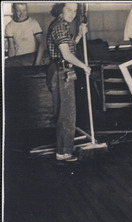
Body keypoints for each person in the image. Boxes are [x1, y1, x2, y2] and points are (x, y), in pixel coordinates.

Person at [46, 3, 91, 161]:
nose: (72, 14)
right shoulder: (59, 26)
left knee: (67, 112)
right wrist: (84, 66)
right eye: (68, 9)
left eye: (75, 11)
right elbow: (66, 54)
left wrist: (79, 35)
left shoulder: (63, 25)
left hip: (62, 70)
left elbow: (69, 47)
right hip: (61, 70)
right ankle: (63, 153)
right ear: (60, 9)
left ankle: (64, 150)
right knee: (66, 113)